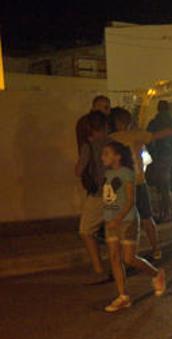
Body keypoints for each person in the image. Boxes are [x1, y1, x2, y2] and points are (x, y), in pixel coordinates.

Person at [100, 141, 167, 312]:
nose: (103, 157)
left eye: (107, 153)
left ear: (118, 156)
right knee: (114, 257)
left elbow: (131, 200)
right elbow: (109, 199)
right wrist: (107, 217)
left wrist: (118, 218)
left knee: (128, 258)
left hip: (127, 221)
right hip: (110, 221)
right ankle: (123, 296)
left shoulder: (127, 173)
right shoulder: (108, 174)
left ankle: (156, 274)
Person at [109, 107, 172, 260]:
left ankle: (122, 253)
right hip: (137, 182)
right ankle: (155, 249)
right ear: (124, 121)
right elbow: (157, 135)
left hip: (118, 184)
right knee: (147, 218)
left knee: (120, 218)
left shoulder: (111, 138)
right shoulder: (134, 135)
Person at [75, 111, 111, 284]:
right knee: (113, 232)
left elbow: (78, 170)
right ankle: (119, 267)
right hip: (116, 193)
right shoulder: (114, 144)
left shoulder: (88, 146)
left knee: (86, 230)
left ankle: (99, 269)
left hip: (98, 194)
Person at [146, 101, 172, 222]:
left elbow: (149, 140)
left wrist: (153, 155)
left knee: (164, 186)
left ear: (158, 109)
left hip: (161, 158)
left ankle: (166, 213)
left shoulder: (154, 123)